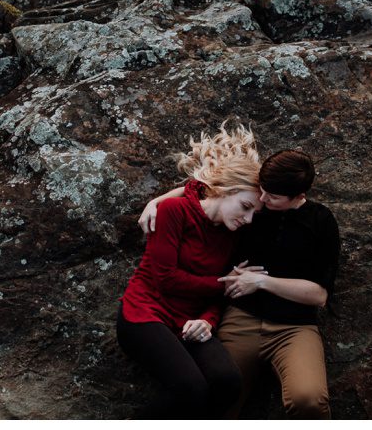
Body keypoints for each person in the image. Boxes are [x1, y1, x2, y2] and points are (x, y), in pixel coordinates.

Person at [138, 149, 340, 419]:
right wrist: (157, 200)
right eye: (262, 191)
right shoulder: (254, 204)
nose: (262, 199)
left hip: (294, 327)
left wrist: (261, 282)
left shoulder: (321, 222)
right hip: (240, 319)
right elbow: (212, 189)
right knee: (221, 395)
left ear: (299, 196)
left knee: (309, 399)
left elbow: (319, 296)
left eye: (273, 197)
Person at [116, 121, 263, 419]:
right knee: (190, 388)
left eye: (254, 213)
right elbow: (166, 278)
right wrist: (223, 284)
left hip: (189, 320)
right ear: (224, 190)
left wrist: (207, 321)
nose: (248, 218)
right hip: (145, 313)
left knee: (228, 382)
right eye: (245, 206)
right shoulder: (173, 212)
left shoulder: (233, 234)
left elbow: (220, 297)